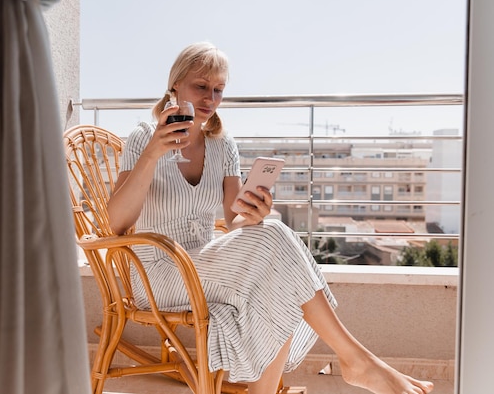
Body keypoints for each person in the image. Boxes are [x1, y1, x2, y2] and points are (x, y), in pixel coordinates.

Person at [106, 41, 434, 394]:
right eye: (200, 86)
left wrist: (255, 212)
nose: (210, 99)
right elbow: (115, 224)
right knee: (276, 252)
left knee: (274, 251)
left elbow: (235, 224)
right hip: (158, 272)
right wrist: (153, 154)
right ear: (175, 86)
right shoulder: (144, 137)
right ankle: (358, 361)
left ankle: (328, 371)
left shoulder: (221, 144)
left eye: (218, 90)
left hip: (206, 263)